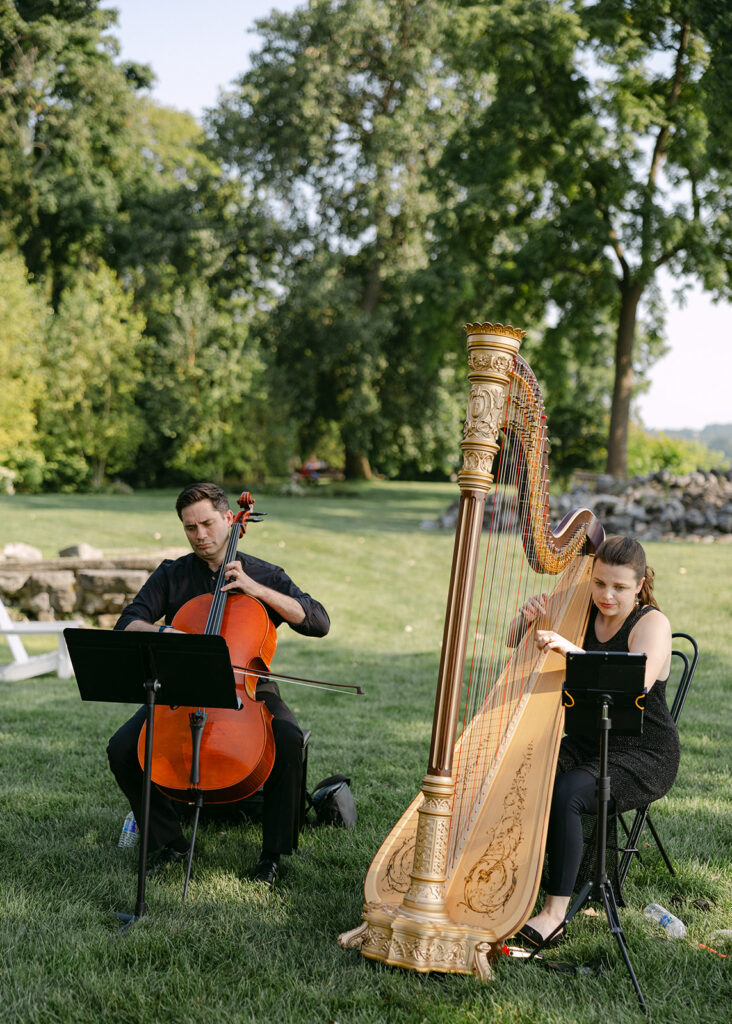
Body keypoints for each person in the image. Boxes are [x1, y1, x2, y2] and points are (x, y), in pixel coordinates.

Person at [106, 482, 330, 887]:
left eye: (207, 523)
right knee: (123, 749)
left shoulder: (264, 574)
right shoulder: (172, 574)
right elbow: (128, 621)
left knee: (288, 739)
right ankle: (171, 842)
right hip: (181, 687)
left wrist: (256, 590)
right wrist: (166, 634)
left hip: (248, 687)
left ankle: (272, 856)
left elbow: (317, 620)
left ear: (230, 519)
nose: (200, 536)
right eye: (190, 528)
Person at [512, 535, 679, 947]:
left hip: (643, 752)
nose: (607, 595)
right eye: (600, 583)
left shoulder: (651, 624)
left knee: (568, 791)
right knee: (522, 767)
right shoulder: (580, 608)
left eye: (620, 587)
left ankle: (554, 914)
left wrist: (572, 651)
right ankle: (514, 883)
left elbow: (633, 685)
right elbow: (512, 647)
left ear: (639, 585)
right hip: (589, 743)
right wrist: (525, 620)